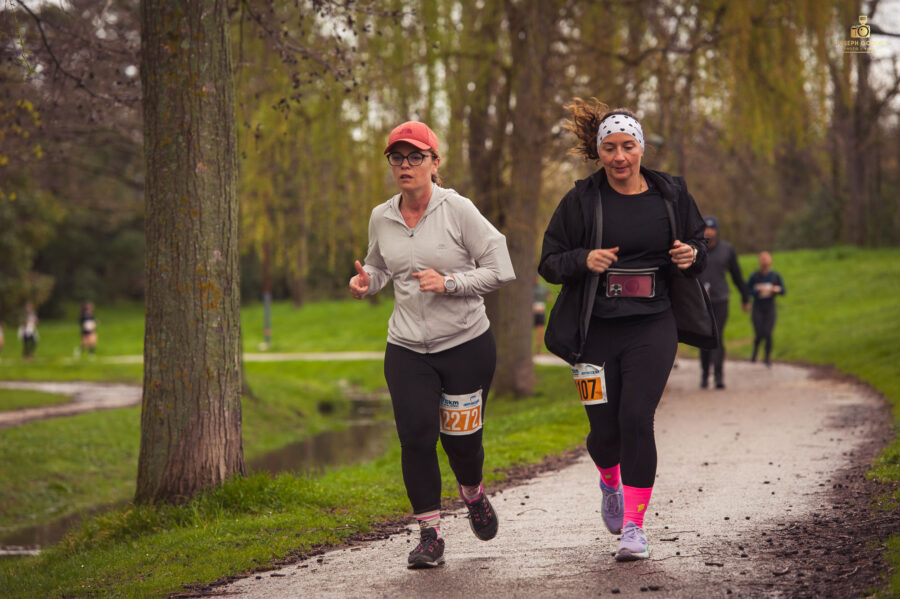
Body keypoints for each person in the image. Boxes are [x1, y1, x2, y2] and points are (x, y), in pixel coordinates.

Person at [539, 100, 708, 562]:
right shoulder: (580, 200)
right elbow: (549, 262)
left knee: (636, 419)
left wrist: (691, 254)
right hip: (593, 330)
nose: (619, 157)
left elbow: (698, 243)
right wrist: (583, 260)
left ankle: (634, 528)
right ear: (598, 151)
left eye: (627, 146)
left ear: (641, 148)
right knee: (604, 432)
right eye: (609, 148)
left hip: (654, 324)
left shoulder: (670, 194)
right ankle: (609, 480)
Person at [348, 121, 515, 569]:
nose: (405, 165)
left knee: (462, 445)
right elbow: (382, 267)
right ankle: (430, 535)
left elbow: (501, 269)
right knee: (416, 437)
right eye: (397, 157)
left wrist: (451, 282)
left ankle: (473, 493)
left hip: (464, 343)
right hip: (405, 347)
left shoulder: (458, 210)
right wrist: (367, 282)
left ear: (434, 163)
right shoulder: (381, 216)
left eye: (415, 157)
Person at [696, 216, 750, 389]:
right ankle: (705, 375)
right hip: (700, 300)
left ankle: (719, 376)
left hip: (720, 300)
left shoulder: (727, 250)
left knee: (717, 336)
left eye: (712, 228)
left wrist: (745, 297)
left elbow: (737, 275)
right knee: (704, 336)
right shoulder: (695, 249)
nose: (709, 231)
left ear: (717, 231)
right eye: (706, 228)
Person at [747, 251, 785, 366]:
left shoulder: (775, 276)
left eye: (766, 258)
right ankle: (755, 351)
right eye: (762, 259)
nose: (764, 261)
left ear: (771, 260)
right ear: (759, 261)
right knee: (759, 332)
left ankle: (767, 358)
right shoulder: (755, 276)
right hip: (757, 307)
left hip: (770, 307)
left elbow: (783, 290)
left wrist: (775, 289)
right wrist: (757, 290)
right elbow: (747, 290)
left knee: (768, 333)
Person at [532, 276, 552, 354]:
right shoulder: (530, 288)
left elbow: (549, 296)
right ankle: (530, 349)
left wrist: (548, 297)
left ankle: (538, 349)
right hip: (532, 313)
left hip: (540, 312)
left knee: (540, 332)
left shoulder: (542, 288)